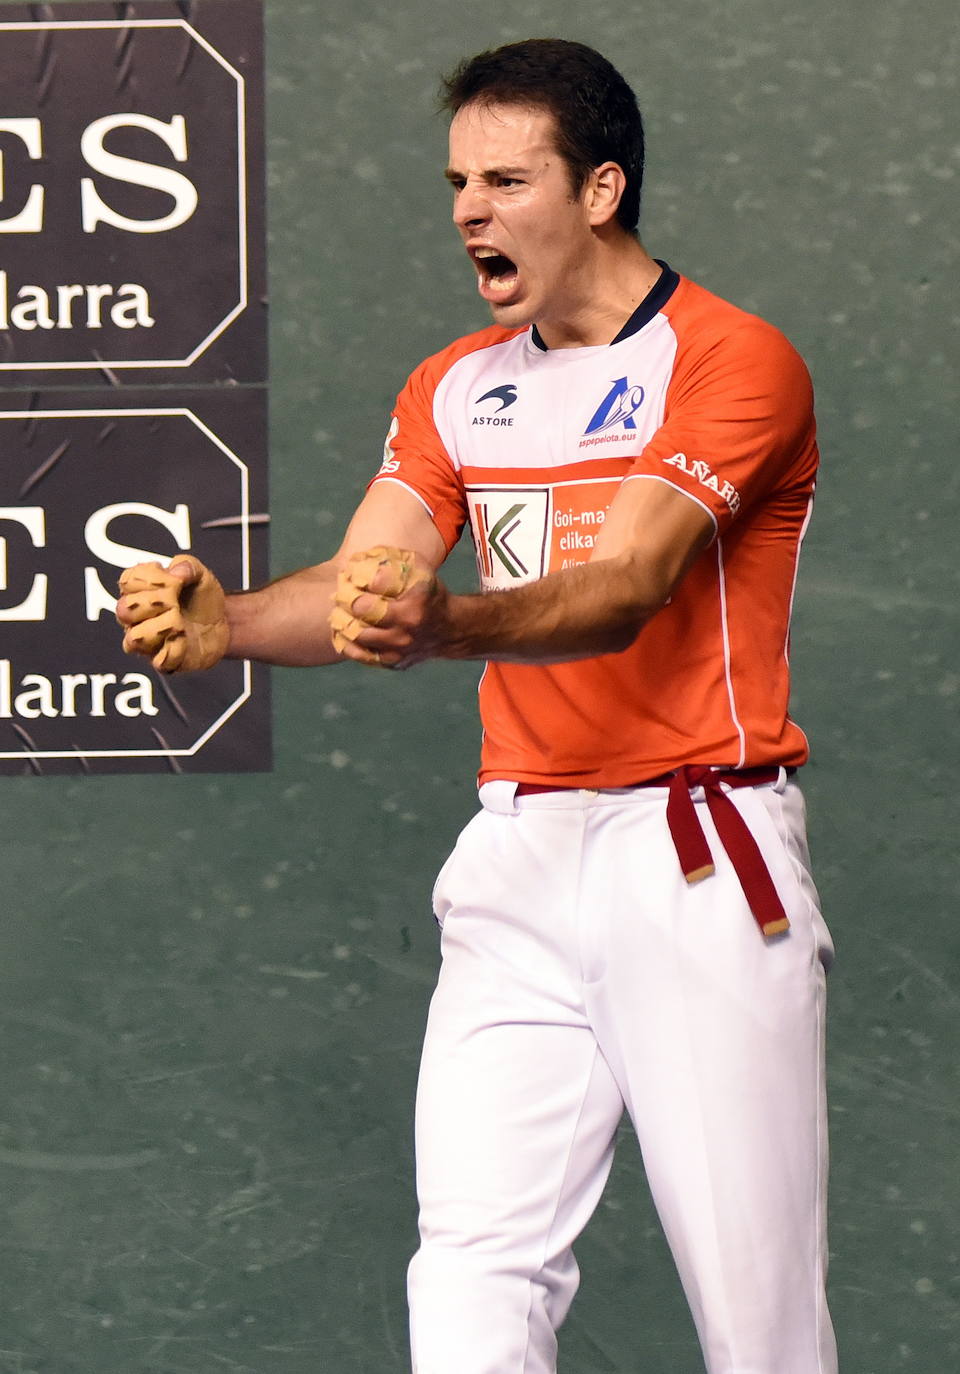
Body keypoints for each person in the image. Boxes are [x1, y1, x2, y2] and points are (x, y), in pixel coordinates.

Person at [116, 38, 837, 1374]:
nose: (469, 211)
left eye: (507, 180)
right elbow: (363, 578)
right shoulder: (458, 385)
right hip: (516, 860)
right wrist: (232, 626)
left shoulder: (732, 361)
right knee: (470, 1275)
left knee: (761, 1326)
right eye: (458, 181)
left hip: (694, 851)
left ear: (603, 188)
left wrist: (446, 623)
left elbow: (625, 585)